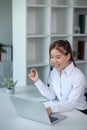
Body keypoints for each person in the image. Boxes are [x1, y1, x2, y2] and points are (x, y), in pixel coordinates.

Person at [28, 40, 87, 115]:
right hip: (64, 110)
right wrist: (36, 80)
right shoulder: (54, 73)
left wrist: (51, 109)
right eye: (52, 57)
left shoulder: (78, 76)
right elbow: (51, 95)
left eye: (58, 57)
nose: (54, 61)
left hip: (79, 113)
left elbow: (71, 104)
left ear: (68, 56)